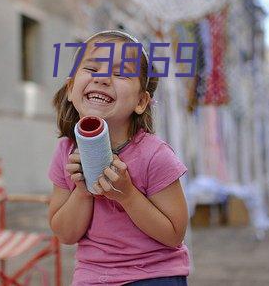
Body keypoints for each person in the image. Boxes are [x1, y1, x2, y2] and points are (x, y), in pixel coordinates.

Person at [48, 30, 190, 286]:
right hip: (92, 277)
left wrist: (128, 195)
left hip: (154, 275)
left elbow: (174, 235)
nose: (102, 79)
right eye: (92, 68)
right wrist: (82, 191)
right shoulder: (65, 152)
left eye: (121, 73)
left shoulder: (154, 156)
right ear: (71, 89)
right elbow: (65, 234)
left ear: (141, 101)